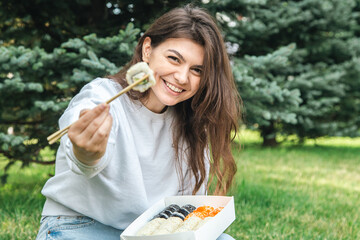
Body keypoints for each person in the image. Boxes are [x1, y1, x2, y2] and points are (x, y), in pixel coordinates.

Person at [36, 4, 241, 240]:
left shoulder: (193, 122)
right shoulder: (102, 95)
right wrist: (87, 151)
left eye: (197, 70)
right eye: (174, 59)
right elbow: (84, 157)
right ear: (147, 50)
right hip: (80, 225)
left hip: (149, 233)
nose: (182, 77)